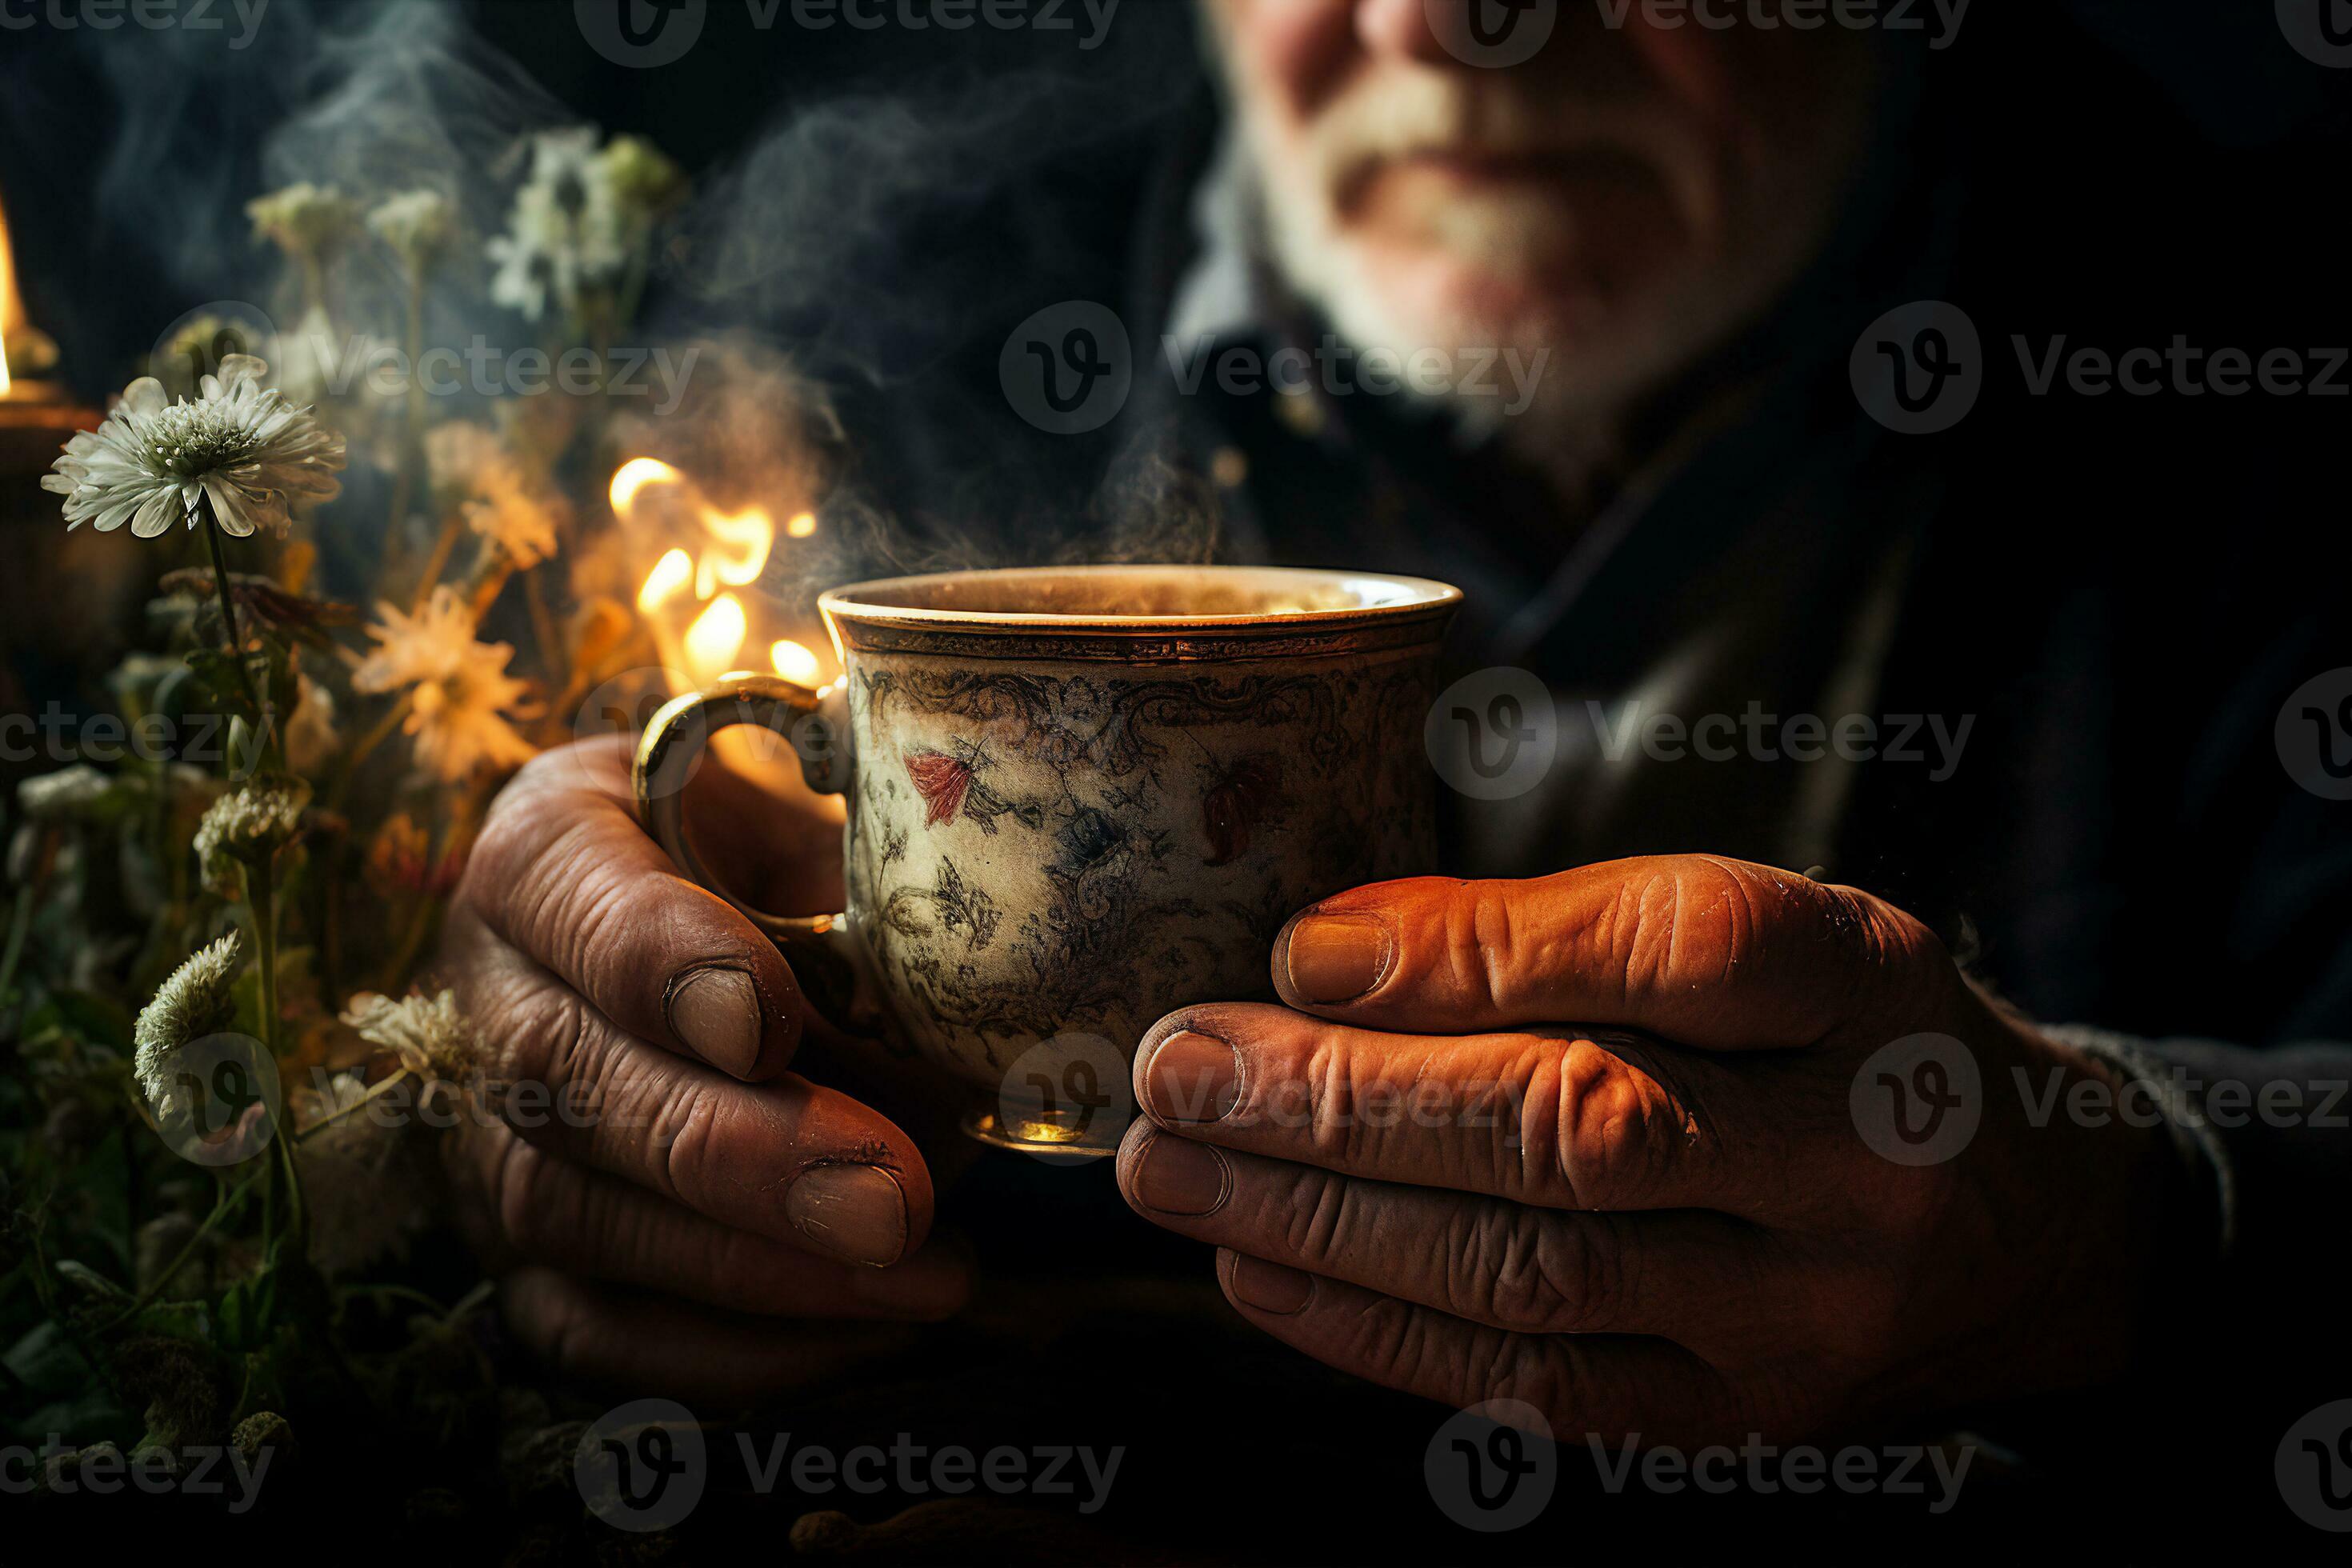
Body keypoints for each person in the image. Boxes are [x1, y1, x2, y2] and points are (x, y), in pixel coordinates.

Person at [440, 0, 2347, 1487]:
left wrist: (2122, 1217)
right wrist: (578, 1072)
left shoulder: (2251, 355)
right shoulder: (898, 321)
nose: (1458, 29)